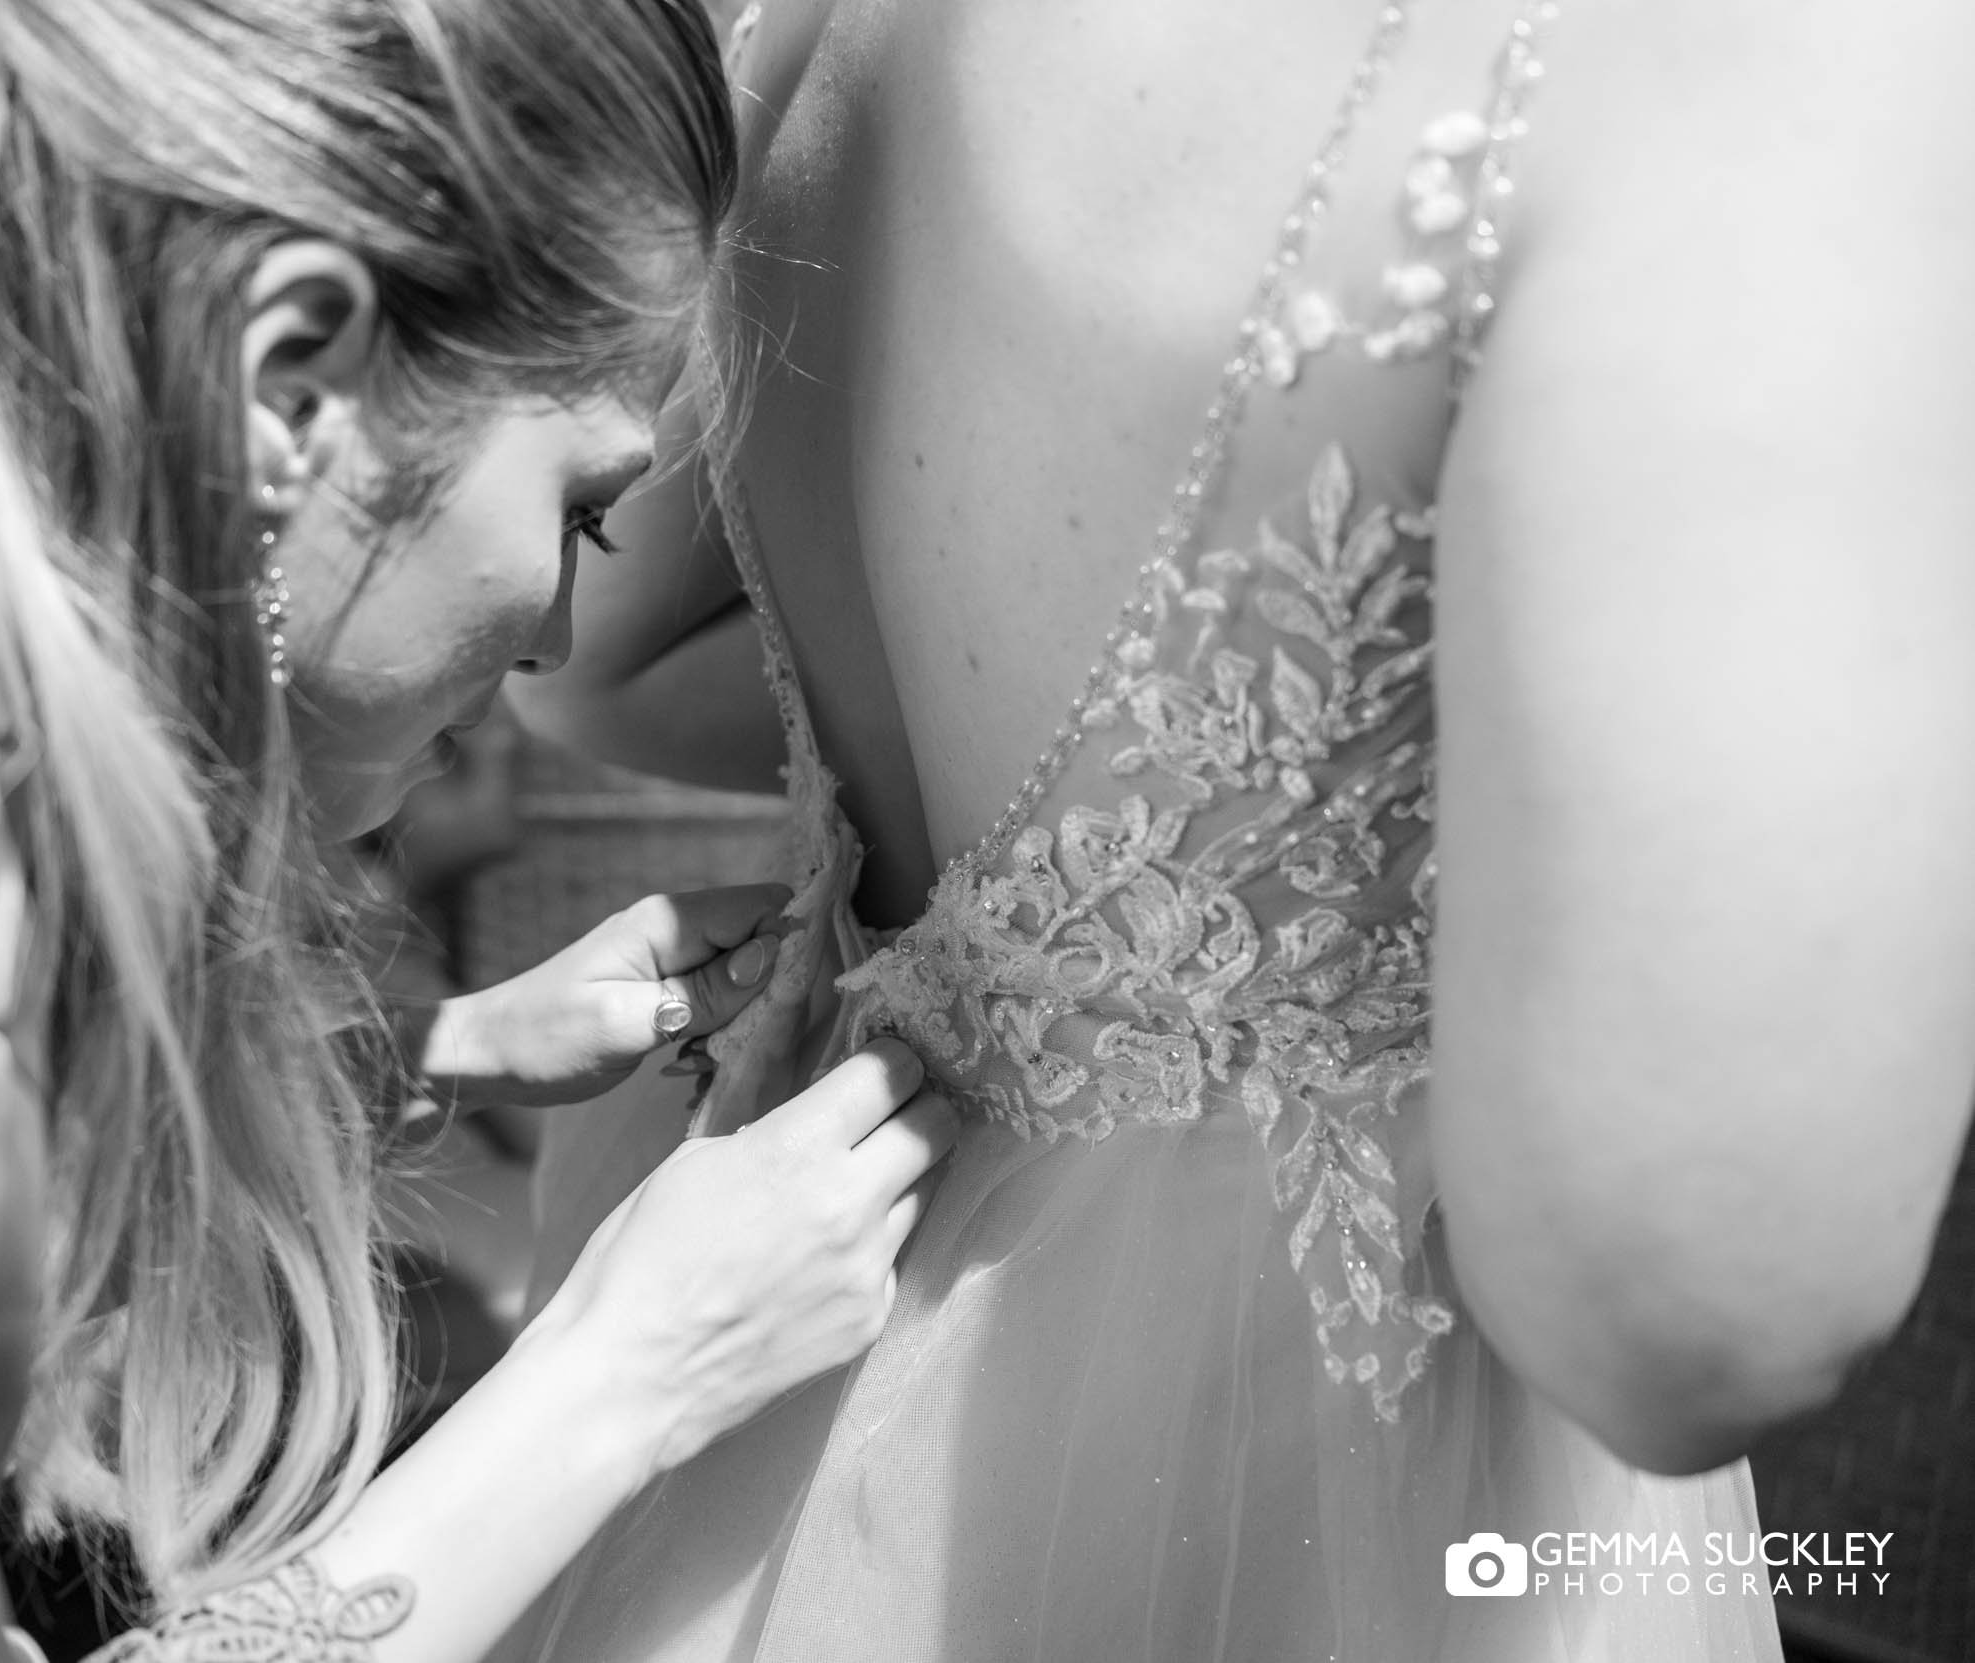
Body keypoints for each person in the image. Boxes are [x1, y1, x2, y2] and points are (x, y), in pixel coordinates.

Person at [0, 1, 960, 1658]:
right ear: (292, 383)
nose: (550, 644)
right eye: (583, 512)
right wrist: (632, 1362)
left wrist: (422, 1053)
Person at [504, 0, 1975, 1657]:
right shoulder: (1734, 47)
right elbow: (1696, 1312)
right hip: (1290, 1481)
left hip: (773, 1315)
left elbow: (592, 648)